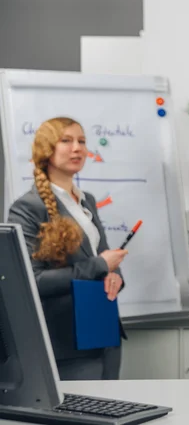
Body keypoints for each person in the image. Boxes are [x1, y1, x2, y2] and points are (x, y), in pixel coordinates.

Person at [7, 117, 128, 381]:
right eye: (67, 141)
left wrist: (113, 276)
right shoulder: (27, 207)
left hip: (104, 331)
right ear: (46, 149)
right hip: (67, 341)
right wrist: (100, 266)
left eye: (82, 141)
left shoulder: (88, 201)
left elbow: (103, 261)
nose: (77, 148)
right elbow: (34, 281)